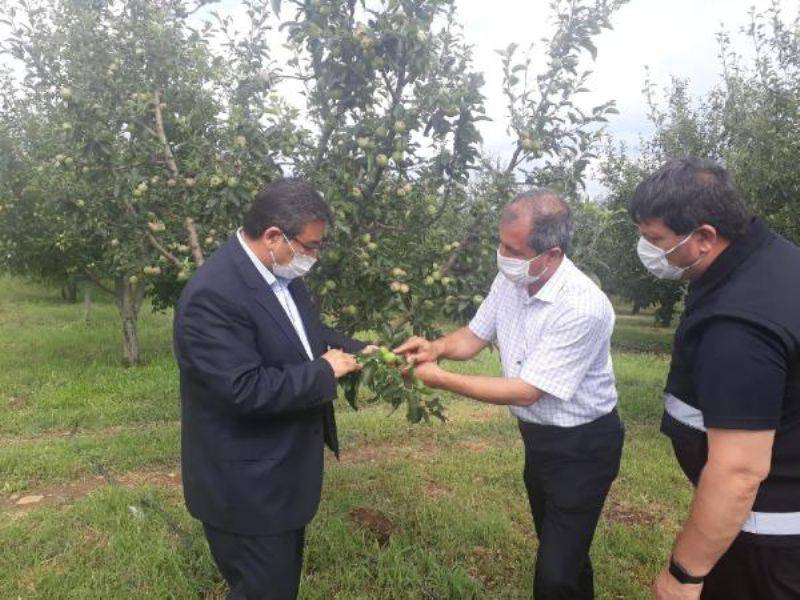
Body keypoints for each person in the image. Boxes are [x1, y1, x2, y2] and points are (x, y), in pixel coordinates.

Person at [395, 190, 624, 599]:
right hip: (539, 441)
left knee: (554, 576)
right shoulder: (513, 278)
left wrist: (441, 379)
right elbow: (474, 335)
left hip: (583, 447)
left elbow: (526, 392)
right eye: (501, 243)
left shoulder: (583, 306)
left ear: (551, 254)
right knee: (566, 555)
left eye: (512, 248)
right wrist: (436, 348)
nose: (502, 255)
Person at [173, 178, 374, 600]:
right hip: (246, 490)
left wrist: (359, 350)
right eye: (312, 246)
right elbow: (243, 389)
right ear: (273, 237)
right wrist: (324, 372)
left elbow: (304, 334)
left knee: (277, 586)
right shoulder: (214, 295)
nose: (314, 256)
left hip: (279, 480)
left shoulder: (276, 274)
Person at [630, 158, 800, 600]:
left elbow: (739, 470)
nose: (648, 250)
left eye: (655, 240)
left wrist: (684, 574)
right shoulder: (773, 262)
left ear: (704, 236)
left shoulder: (739, 326)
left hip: (770, 539)